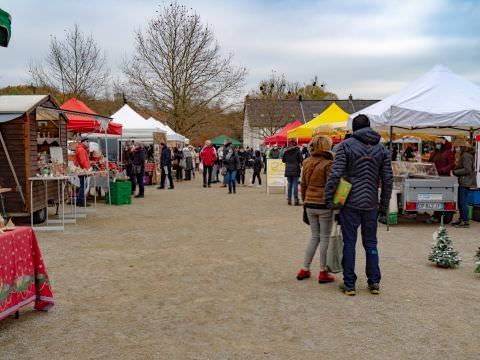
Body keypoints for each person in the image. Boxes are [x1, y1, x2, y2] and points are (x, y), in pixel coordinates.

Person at [324, 114, 393, 296]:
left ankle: (349, 284)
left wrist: (329, 199)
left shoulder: (346, 146)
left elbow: (335, 174)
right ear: (369, 127)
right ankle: (374, 281)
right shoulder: (381, 149)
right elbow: (388, 179)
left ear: (354, 129)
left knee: (350, 243)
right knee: (371, 243)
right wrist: (384, 206)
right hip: (371, 202)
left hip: (350, 202)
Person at [296, 136, 335, 283]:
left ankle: (304, 268)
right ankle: (323, 271)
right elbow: (331, 186)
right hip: (323, 204)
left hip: (310, 203)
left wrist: (305, 202)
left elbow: (303, 184)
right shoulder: (329, 163)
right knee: (324, 237)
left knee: (314, 237)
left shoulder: (306, 162)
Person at [452, 139, 476, 228]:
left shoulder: (466, 155)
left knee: (463, 202)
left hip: (465, 182)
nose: (455, 149)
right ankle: (461, 219)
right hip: (463, 181)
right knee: (460, 202)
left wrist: (454, 172)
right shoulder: (464, 155)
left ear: (461, 147)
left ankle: (465, 221)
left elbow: (467, 169)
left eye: (456, 147)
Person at [282, 140, 303, 206]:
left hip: (288, 169)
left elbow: (283, 160)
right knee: (295, 184)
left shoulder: (286, 151)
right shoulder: (298, 151)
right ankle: (296, 200)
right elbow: (301, 160)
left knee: (290, 184)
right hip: (296, 169)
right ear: (296, 144)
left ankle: (289, 199)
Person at [74, 138, 91, 206]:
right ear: (83, 142)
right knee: (83, 186)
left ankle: (80, 200)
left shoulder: (81, 149)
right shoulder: (81, 150)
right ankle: (80, 201)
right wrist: (86, 169)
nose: (88, 143)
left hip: (82, 169)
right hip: (82, 170)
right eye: (87, 141)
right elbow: (83, 161)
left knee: (83, 185)